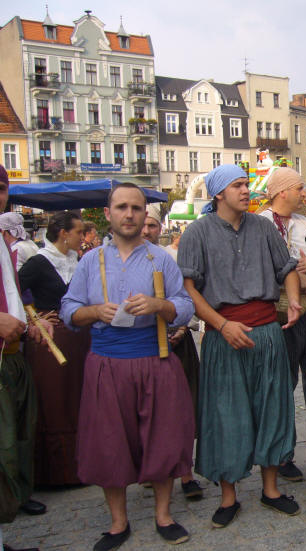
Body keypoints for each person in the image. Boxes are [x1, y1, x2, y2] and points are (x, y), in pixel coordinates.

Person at [59, 183, 196, 549]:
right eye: (121, 207)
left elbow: (185, 306)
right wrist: (91, 311)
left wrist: (159, 306)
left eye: (136, 208)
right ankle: (118, 523)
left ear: (143, 213)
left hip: (155, 358)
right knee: (108, 443)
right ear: (108, 214)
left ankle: (163, 514)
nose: (129, 214)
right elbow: (68, 310)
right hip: (106, 362)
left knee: (163, 437)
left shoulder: (161, 259)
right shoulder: (90, 261)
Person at [177, 164, 302, 528]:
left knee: (273, 409)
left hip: (266, 331)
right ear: (219, 193)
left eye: (247, 184)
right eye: (238, 185)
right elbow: (189, 289)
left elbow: (287, 269)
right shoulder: (196, 233)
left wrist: (292, 299)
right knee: (225, 414)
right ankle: (228, 496)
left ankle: (271, 490)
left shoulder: (264, 227)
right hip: (223, 333)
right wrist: (220, 325)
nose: (246, 191)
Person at [257, 166, 306, 476]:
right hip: (275, 315)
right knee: (280, 383)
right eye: (300, 187)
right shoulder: (258, 225)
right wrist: (289, 278)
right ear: (282, 191)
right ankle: (283, 453)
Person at [0, 165, 52, 551]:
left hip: (13, 354)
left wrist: (30, 322)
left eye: (1, 187)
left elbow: (14, 293)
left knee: (17, 437)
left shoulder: (4, 242)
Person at [19, 212, 91, 486]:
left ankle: (82, 467)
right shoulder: (38, 262)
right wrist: (32, 318)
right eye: (78, 232)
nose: (82, 237)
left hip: (80, 340)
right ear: (64, 233)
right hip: (50, 343)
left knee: (78, 399)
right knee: (54, 402)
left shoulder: (79, 262)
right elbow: (14, 292)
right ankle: (54, 474)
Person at [141, 204, 203, 500]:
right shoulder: (115, 259)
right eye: (144, 225)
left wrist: (183, 327)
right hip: (144, 348)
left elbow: (187, 297)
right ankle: (153, 469)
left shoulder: (170, 257)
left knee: (184, 408)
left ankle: (186, 472)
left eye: (152, 225)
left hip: (179, 345)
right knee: (149, 412)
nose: (146, 231)